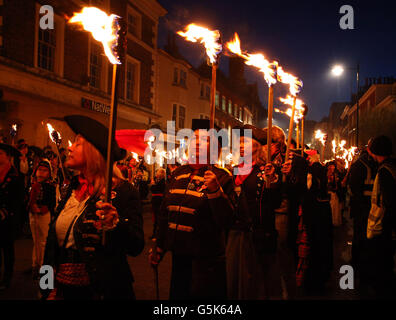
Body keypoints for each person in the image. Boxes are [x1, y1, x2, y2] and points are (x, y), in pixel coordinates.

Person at [42, 115, 144, 300]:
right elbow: (51, 249)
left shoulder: (122, 191)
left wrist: (116, 225)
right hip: (64, 292)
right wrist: (46, 288)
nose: (70, 147)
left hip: (103, 292)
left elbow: (136, 246)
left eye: (77, 143)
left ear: (93, 151)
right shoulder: (72, 187)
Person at [149, 119, 237, 300]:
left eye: (204, 140)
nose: (197, 142)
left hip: (207, 261)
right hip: (179, 257)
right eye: (194, 138)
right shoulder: (177, 173)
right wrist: (159, 245)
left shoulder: (223, 177)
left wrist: (215, 190)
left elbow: (227, 220)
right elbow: (165, 213)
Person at [226, 124, 281, 299]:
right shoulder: (234, 170)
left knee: (257, 286)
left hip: (257, 237)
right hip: (236, 235)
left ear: (257, 145)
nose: (241, 145)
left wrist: (272, 181)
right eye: (239, 142)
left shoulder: (265, 171)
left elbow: (273, 203)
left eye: (245, 141)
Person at [366, 135, 396, 298]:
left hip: (383, 228)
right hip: (387, 228)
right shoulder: (392, 167)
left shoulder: (385, 171)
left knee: (383, 267)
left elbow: (389, 203)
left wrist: (385, 229)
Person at [300, 149, 333, 295]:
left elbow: (309, 189)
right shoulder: (320, 168)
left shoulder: (313, 170)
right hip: (321, 212)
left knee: (315, 247)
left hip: (314, 213)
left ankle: (314, 281)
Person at [347, 146, 377, 294]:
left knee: (363, 240)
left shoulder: (364, 164)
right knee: (361, 240)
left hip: (366, 209)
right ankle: (358, 271)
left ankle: (360, 269)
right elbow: (354, 189)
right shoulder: (361, 165)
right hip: (364, 210)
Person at [0, 143, 25, 290]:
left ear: (8, 157)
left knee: (7, 249)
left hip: (8, 218)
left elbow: (18, 199)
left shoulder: (15, 175)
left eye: (1, 154)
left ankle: (7, 278)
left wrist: (8, 212)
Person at [28, 160, 56, 279]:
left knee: (44, 241)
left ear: (49, 173)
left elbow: (51, 202)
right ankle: (35, 264)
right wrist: (31, 205)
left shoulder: (50, 186)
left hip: (44, 214)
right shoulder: (33, 184)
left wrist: (43, 208)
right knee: (36, 241)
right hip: (33, 214)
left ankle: (43, 267)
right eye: (40, 170)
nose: (41, 173)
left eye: (45, 171)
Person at [150, 168, 166, 239]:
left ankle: (156, 234)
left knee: (157, 218)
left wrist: (153, 184)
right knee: (156, 218)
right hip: (157, 200)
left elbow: (153, 189)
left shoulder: (161, 182)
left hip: (158, 201)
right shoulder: (159, 181)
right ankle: (155, 233)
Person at [326, 161, 342, 226]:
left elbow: (337, 185)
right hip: (329, 194)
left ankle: (334, 221)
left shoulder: (336, 174)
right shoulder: (326, 174)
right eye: (330, 166)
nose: (332, 167)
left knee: (335, 209)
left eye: (333, 166)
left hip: (335, 194)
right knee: (331, 208)